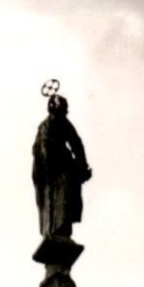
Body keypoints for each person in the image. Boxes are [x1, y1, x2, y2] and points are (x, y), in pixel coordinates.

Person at [32, 94, 92, 238]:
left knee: (68, 189)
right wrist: (50, 169)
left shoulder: (64, 123)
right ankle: (52, 229)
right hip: (45, 169)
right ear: (53, 110)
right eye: (61, 111)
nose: (64, 114)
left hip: (60, 162)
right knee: (50, 196)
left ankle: (63, 227)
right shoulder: (45, 127)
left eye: (65, 111)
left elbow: (76, 143)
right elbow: (43, 151)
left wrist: (82, 166)